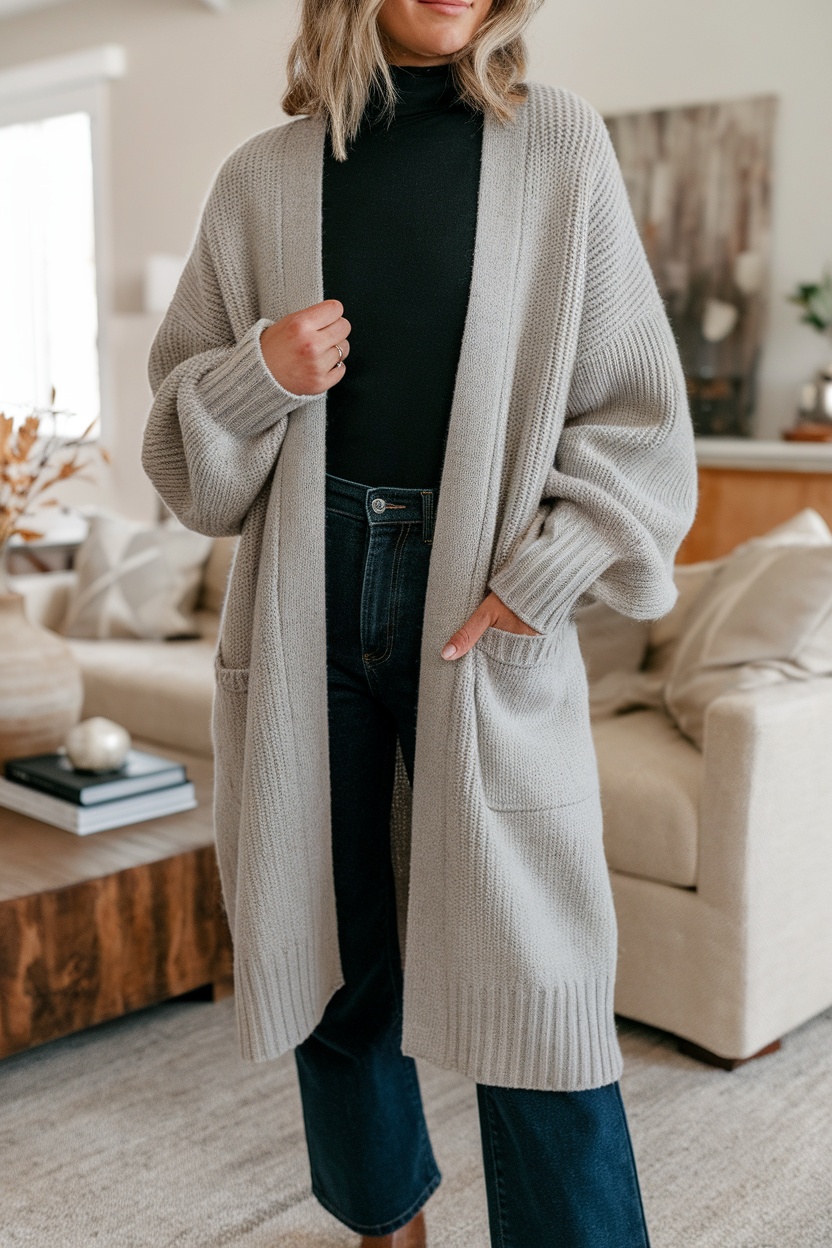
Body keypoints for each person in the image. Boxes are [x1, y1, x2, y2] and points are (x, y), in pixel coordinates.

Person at [141, 0, 698, 1243]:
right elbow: (190, 472)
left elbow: (639, 423)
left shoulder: (558, 146)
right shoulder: (258, 181)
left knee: (537, 971)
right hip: (303, 591)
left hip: (481, 600)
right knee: (322, 937)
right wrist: (256, 376)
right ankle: (383, 1215)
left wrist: (543, 577)